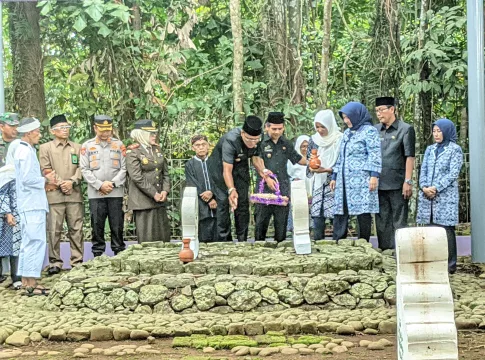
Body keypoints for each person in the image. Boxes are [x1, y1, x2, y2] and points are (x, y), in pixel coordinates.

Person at [207, 115, 275, 242]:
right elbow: (227, 170)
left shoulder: (259, 139)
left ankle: (242, 239)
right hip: (220, 170)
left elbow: (255, 157)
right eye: (249, 139)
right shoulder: (230, 140)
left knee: (242, 203)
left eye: (256, 140)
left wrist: (263, 171)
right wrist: (231, 189)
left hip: (241, 167)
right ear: (242, 133)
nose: (252, 143)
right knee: (224, 203)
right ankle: (224, 241)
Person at [13, 118, 56, 296]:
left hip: (30, 203)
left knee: (28, 243)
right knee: (35, 242)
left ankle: (27, 281)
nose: (39, 134)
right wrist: (46, 180)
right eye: (37, 131)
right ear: (29, 133)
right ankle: (30, 281)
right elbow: (27, 179)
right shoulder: (25, 152)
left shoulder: (25, 150)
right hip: (31, 204)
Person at [330, 102, 382, 241]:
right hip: (343, 179)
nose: (346, 121)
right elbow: (341, 156)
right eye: (344, 118)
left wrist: (374, 175)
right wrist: (334, 176)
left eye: (349, 117)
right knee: (341, 210)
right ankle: (338, 241)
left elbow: (374, 154)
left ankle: (363, 242)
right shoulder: (347, 133)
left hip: (361, 179)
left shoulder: (369, 131)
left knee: (362, 211)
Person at [417, 118, 463, 274]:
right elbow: (423, 170)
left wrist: (436, 188)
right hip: (427, 196)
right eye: (434, 131)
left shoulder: (454, 149)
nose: (436, 134)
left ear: (446, 132)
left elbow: (453, 173)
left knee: (446, 230)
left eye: (439, 131)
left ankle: (450, 264)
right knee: (430, 230)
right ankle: (433, 261)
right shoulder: (430, 149)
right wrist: (423, 187)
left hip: (445, 196)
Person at [39, 114, 83, 275]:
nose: (65, 130)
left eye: (67, 127)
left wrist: (72, 181)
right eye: (61, 128)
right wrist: (61, 183)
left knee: (76, 228)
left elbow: (82, 168)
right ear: (53, 131)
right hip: (54, 196)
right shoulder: (45, 148)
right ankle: (54, 262)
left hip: (74, 194)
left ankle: (77, 261)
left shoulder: (77, 147)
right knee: (54, 229)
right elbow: (46, 168)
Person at [80, 115, 126, 256]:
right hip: (96, 193)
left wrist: (112, 184)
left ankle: (119, 253)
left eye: (108, 130)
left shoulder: (119, 145)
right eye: (102, 130)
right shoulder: (87, 146)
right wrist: (99, 185)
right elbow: (84, 169)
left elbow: (124, 168)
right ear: (95, 128)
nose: (106, 134)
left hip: (115, 192)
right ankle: (98, 254)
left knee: (117, 225)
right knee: (97, 225)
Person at [254, 112, 305, 242]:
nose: (277, 132)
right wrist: (266, 178)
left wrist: (313, 163)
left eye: (280, 129)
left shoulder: (286, 143)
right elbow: (257, 161)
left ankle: (280, 250)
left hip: (282, 188)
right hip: (264, 188)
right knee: (261, 223)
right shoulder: (260, 143)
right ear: (267, 127)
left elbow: (297, 159)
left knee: (281, 224)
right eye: (274, 129)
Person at [374, 97, 416, 250]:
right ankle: (385, 252)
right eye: (377, 111)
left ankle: (401, 252)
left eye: (382, 110)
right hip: (379, 182)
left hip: (398, 183)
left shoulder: (405, 129)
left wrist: (408, 181)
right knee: (381, 220)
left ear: (392, 109)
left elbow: (410, 157)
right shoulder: (375, 130)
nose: (379, 113)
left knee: (399, 220)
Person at [125, 119, 171, 243]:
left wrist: (164, 191)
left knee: (163, 237)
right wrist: (154, 193)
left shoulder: (157, 150)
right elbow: (136, 177)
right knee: (148, 238)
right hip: (143, 202)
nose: (154, 136)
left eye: (154, 133)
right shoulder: (133, 152)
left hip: (160, 200)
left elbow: (165, 173)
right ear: (141, 134)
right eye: (151, 133)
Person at [307, 110, 343, 240]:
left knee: (336, 212)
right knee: (317, 212)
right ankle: (317, 240)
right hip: (318, 181)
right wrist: (312, 166)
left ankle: (338, 241)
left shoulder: (339, 139)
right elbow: (308, 159)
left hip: (334, 180)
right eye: (317, 127)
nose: (320, 130)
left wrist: (328, 170)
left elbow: (342, 161)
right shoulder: (314, 139)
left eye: (323, 126)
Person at [185, 135, 217, 242]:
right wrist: (208, 199)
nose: (201, 147)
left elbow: (220, 180)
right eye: (197, 145)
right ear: (193, 148)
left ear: (208, 146)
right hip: (201, 204)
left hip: (217, 202)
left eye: (203, 145)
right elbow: (192, 183)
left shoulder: (215, 162)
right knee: (204, 234)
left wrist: (213, 193)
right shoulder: (190, 164)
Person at [0, 112, 20, 286]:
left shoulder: (20, 145)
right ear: (1, 126)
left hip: (13, 196)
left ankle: (16, 276)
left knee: (14, 235)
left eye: (16, 126)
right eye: (11, 126)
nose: (14, 129)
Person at [286, 135, 311, 232]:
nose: (305, 149)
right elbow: (289, 174)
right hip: (297, 189)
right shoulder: (292, 160)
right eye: (303, 146)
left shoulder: (314, 159)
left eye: (307, 146)